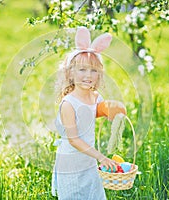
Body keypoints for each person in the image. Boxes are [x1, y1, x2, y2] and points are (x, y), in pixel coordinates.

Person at [51, 27, 121, 199]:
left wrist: (115, 112)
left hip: (88, 160)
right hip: (71, 162)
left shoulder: (95, 96)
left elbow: (96, 113)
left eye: (93, 70)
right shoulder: (68, 103)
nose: (88, 75)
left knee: (93, 194)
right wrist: (101, 157)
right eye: (82, 70)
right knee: (74, 195)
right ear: (70, 73)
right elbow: (73, 139)